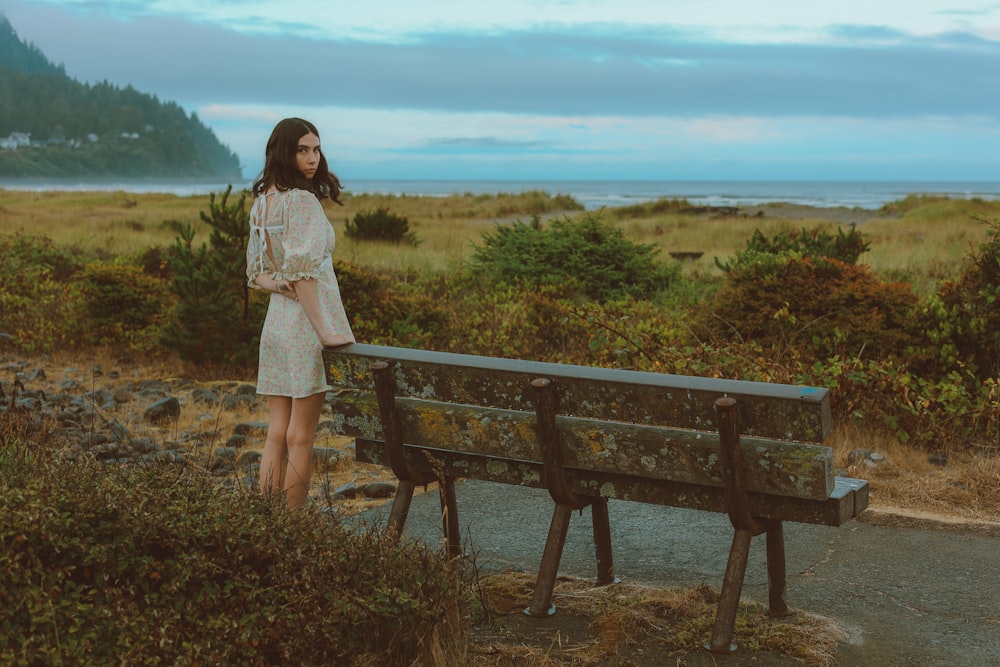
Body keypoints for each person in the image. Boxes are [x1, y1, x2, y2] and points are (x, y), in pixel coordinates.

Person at [246, 117, 355, 511]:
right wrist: (325, 331)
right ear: (283, 152)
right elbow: (305, 275)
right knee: (300, 436)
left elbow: (257, 274)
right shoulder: (302, 201)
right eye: (302, 150)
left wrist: (281, 285)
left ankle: (267, 520)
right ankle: (292, 530)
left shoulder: (263, 203)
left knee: (276, 432)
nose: (313, 158)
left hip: (276, 323)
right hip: (305, 326)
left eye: (316, 149)